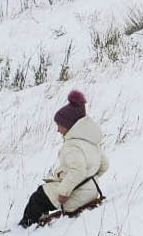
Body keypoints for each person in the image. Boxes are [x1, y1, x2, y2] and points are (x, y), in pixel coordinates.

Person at [19, 90, 108, 228]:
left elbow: (78, 170)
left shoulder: (72, 146)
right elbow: (104, 165)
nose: (58, 130)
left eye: (59, 125)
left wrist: (64, 192)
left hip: (79, 194)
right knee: (47, 192)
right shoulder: (90, 141)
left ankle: (26, 225)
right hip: (92, 190)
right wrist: (90, 177)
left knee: (38, 196)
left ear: (69, 125)